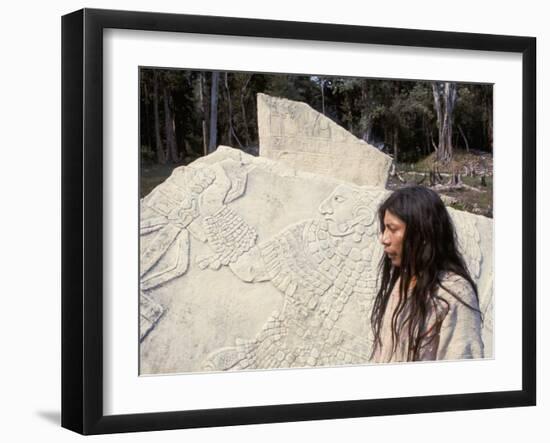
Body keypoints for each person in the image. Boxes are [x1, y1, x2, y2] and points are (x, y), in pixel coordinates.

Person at [371, 185, 484, 363]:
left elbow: (463, 371)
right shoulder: (403, 280)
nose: (384, 239)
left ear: (422, 232)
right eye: (384, 229)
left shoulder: (454, 294)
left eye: (392, 229)